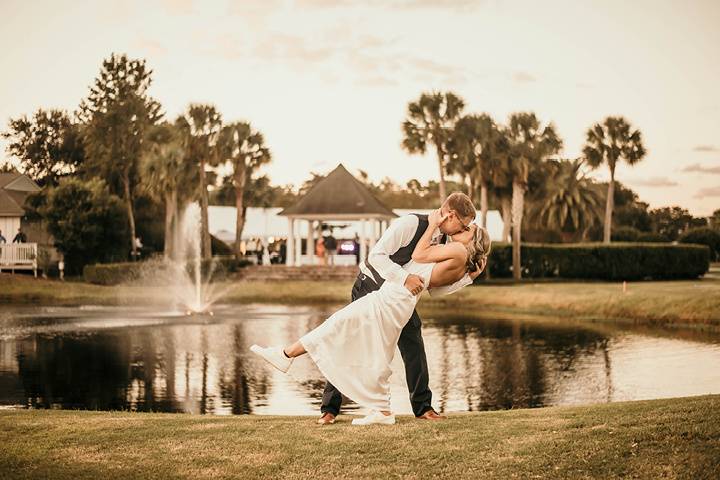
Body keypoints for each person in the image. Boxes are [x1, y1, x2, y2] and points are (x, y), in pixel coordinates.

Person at [252, 192, 481, 423]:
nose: (462, 231)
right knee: (346, 339)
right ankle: (330, 408)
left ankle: (421, 408)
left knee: (412, 343)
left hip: (398, 297)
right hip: (371, 285)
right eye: (463, 225)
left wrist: (465, 279)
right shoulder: (411, 224)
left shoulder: (442, 241)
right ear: (451, 215)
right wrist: (403, 279)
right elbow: (376, 256)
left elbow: (430, 285)